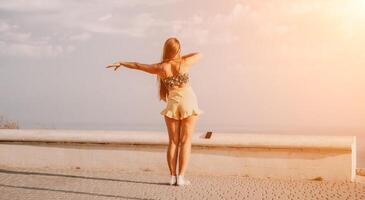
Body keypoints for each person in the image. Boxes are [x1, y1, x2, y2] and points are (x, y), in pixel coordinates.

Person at [106, 37, 203, 186]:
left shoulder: (161, 68)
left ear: (165, 49)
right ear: (178, 50)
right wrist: (180, 55)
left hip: (173, 104)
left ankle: (172, 177)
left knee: (173, 142)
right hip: (189, 102)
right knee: (185, 141)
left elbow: (138, 65)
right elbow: (199, 54)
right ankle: (181, 178)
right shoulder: (185, 62)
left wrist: (122, 63)